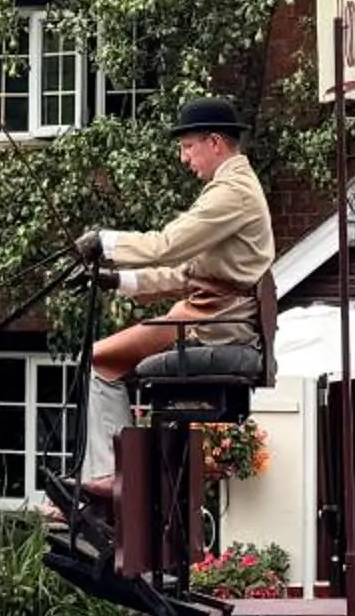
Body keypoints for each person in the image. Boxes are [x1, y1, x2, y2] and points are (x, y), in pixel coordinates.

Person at [48, 99, 274, 534]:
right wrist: (115, 281)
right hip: (207, 312)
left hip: (213, 323)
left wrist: (104, 241)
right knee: (103, 359)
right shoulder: (233, 189)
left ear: (215, 143)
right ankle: (112, 481)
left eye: (188, 146)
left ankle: (114, 482)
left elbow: (167, 245)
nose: (184, 157)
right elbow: (184, 272)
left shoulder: (233, 193)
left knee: (100, 361)